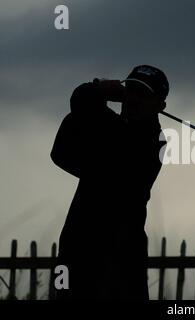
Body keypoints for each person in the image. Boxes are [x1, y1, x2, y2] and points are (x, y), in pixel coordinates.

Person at [51, 65, 169, 299]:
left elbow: (82, 103)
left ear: (160, 106)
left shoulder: (148, 141)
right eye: (131, 90)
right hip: (79, 250)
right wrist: (97, 95)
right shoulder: (110, 127)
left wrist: (98, 90)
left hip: (119, 259)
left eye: (144, 94)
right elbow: (60, 153)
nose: (134, 99)